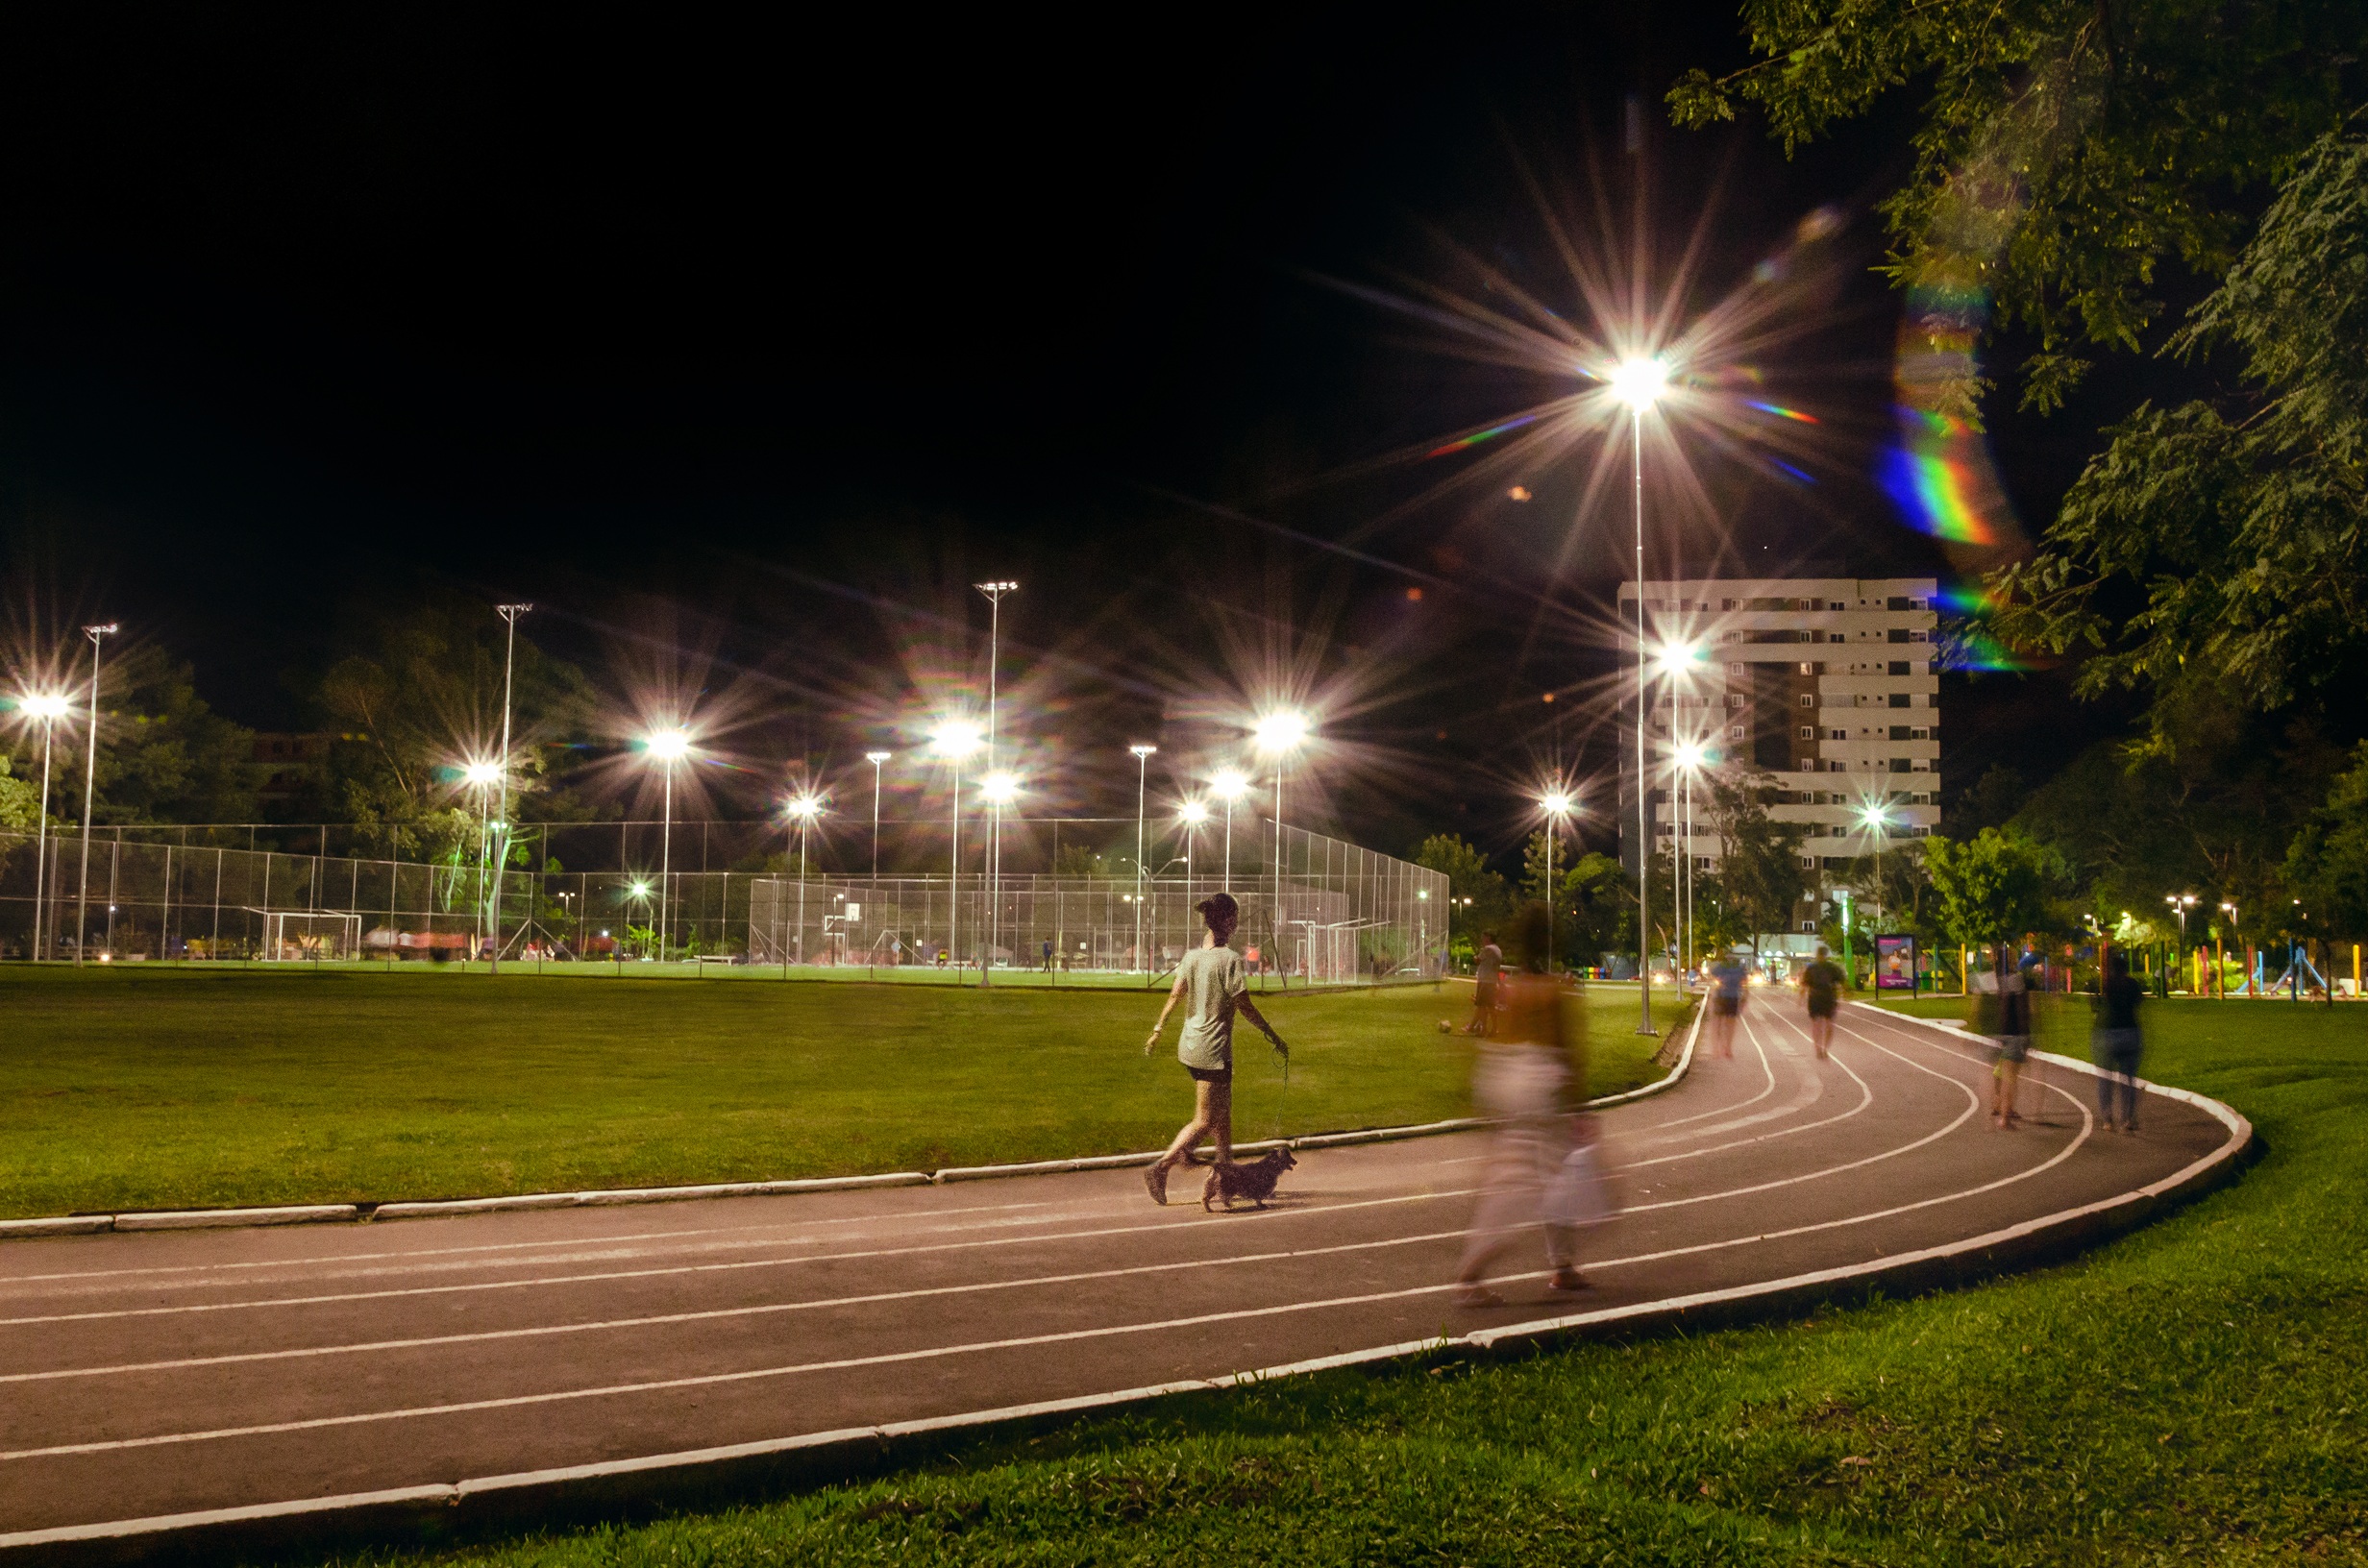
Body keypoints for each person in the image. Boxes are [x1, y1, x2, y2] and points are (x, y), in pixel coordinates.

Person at [1453, 901, 1598, 1307]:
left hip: (1505, 1080)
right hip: (1541, 1086)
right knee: (1541, 1183)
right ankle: (1474, 1273)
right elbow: (1567, 1052)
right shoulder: (1553, 991)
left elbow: (1500, 1043)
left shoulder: (1514, 989)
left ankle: (1560, 1266)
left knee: (1527, 1178)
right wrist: (1581, 1107)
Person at [1140, 893, 1288, 1205]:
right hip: (1212, 1051)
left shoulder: (1192, 957)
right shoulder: (1229, 960)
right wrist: (1272, 1034)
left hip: (1190, 1045)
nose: (1236, 924)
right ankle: (1161, 1167)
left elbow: (1174, 996)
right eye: (1234, 919)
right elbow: (1245, 1006)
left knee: (1223, 1119)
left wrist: (1157, 1030)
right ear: (1227, 921)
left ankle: (1224, 1179)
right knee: (1206, 1120)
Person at [2092, 949, 2144, 1132]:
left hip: (2109, 1034)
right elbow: (2138, 1003)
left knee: (2105, 1078)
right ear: (2126, 969)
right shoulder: (2133, 985)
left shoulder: (2108, 985)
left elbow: (2101, 1008)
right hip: (2130, 1032)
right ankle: (2127, 1119)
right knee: (2128, 1079)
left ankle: (2107, 1119)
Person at [1990, 944, 2032, 1129]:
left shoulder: (1998, 980)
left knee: (2001, 1071)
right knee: (2010, 1077)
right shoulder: (2016, 980)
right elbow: (2020, 1009)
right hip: (2015, 1033)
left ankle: (1999, 1104)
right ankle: (2005, 1116)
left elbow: (1999, 1008)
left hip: (2003, 1032)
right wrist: (2025, 1033)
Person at [1801, 944, 1844, 1060]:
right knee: (1821, 1024)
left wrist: (1800, 998)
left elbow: (1841, 981)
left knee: (1823, 1025)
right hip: (1824, 997)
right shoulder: (1821, 968)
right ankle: (1821, 1048)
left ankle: (1822, 1049)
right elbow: (1805, 984)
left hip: (1821, 997)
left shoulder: (1818, 968)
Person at [1708, 951, 1747, 1057]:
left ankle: (1722, 1048)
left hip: (1727, 997)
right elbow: (1744, 983)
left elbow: (1744, 983)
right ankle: (1721, 1048)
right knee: (1724, 1024)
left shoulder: (1727, 967)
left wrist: (1744, 998)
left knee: (1723, 1023)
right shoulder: (1734, 968)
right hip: (1727, 997)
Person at [1464, 931, 1503, 1036]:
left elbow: (1477, 960)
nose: (1482, 939)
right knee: (1491, 1006)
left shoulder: (1488, 949)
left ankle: (1483, 1029)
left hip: (1485, 980)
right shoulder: (1498, 949)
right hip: (1492, 980)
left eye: (1484, 937)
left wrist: (1474, 956)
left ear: (1488, 937)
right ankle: (1494, 1029)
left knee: (1482, 1006)